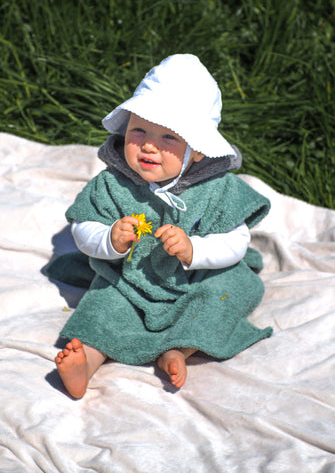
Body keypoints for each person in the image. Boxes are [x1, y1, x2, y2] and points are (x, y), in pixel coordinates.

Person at [54, 54, 272, 398]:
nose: (149, 145)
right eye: (139, 130)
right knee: (104, 302)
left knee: (225, 295)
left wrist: (194, 250)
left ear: (197, 150)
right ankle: (89, 359)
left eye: (169, 137)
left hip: (200, 277)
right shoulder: (113, 185)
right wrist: (109, 240)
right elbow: (84, 227)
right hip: (132, 279)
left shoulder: (219, 190)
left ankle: (179, 349)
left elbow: (236, 241)